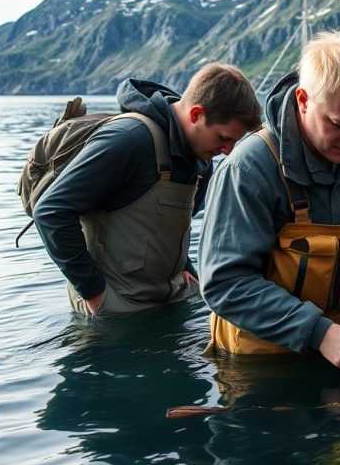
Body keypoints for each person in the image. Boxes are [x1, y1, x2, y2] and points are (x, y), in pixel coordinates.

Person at [199, 31, 340, 371]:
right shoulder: (247, 169)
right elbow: (225, 283)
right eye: (339, 124)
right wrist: (318, 332)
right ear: (303, 100)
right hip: (265, 366)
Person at [34, 64, 262, 318]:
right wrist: (94, 294)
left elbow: (172, 228)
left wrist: (185, 267)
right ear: (196, 114)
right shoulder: (128, 140)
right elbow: (50, 211)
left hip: (169, 296)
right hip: (115, 308)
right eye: (223, 138)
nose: (229, 151)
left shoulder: (201, 159)